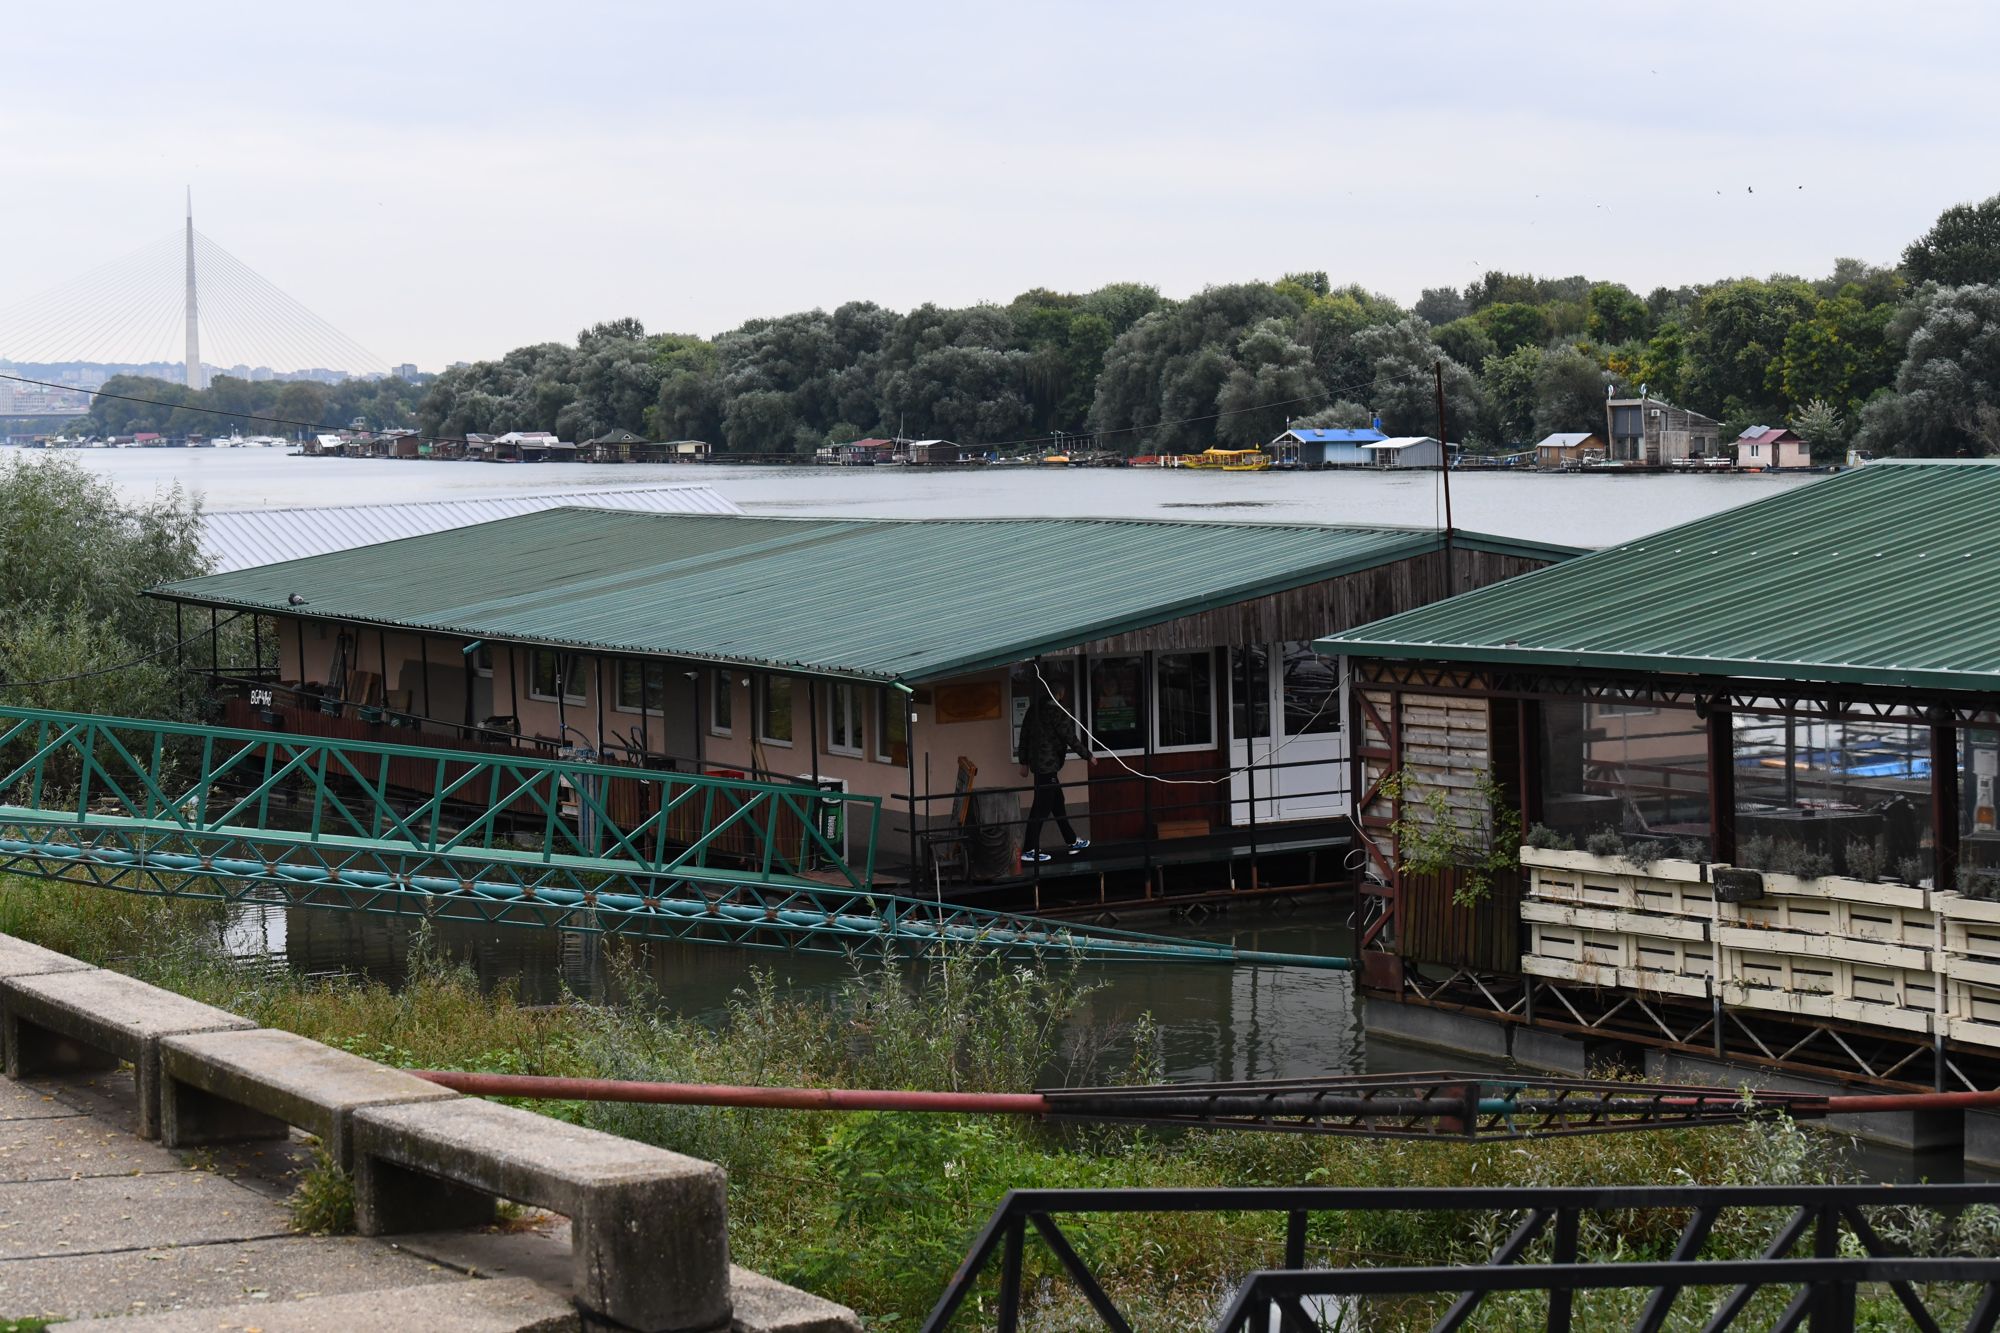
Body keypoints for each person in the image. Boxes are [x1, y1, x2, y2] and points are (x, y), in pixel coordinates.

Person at [1016, 667, 1090, 862]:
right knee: (1040, 809)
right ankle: (1029, 849)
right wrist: (1088, 756)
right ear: (1059, 694)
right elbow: (1070, 738)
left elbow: (1023, 736)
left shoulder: (1034, 710)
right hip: (1048, 767)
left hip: (1039, 766)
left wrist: (1023, 762)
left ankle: (1072, 841)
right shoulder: (1057, 713)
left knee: (1057, 804)